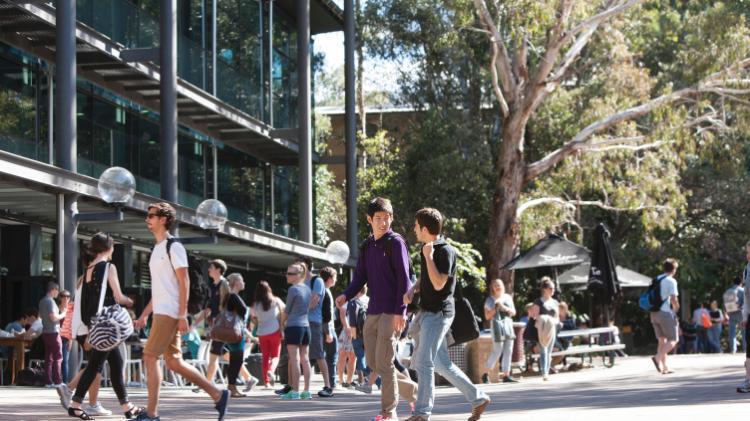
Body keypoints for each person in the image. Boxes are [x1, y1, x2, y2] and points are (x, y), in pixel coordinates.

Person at [133, 202, 229, 421]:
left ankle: (152, 413)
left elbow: (183, 281)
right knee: (174, 361)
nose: (148, 218)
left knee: (149, 356)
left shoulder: (173, 246)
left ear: (164, 219)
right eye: (147, 215)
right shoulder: (156, 248)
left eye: (152, 215)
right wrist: (146, 312)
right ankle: (218, 394)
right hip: (161, 310)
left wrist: (182, 313)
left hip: (170, 311)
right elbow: (160, 288)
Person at [404, 208, 490, 421]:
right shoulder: (428, 249)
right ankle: (478, 398)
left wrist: (429, 257)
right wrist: (413, 288)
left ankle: (421, 413)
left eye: (416, 226)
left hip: (439, 314)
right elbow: (426, 278)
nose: (414, 229)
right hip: (427, 312)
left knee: (424, 362)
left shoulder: (444, 251)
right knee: (441, 363)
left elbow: (440, 282)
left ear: (424, 228)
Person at [336, 197, 412, 421]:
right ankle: (415, 392)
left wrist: (401, 312)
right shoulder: (368, 245)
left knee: (385, 363)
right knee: (372, 362)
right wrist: (345, 294)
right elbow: (360, 277)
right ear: (369, 219)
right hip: (373, 311)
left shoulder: (396, 242)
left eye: (387, 218)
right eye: (378, 218)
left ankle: (389, 413)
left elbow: (404, 280)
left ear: (391, 218)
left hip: (392, 311)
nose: (383, 222)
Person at [63, 232, 144, 420]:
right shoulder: (108, 267)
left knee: (115, 363)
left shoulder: (88, 270)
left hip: (94, 326)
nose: (114, 249)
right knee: (95, 366)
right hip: (106, 327)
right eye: (113, 246)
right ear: (109, 248)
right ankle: (75, 404)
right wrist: (130, 302)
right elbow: (118, 296)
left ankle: (127, 407)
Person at [297, 256, 334, 398]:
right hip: (302, 322)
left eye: (299, 265)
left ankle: (328, 386)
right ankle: (298, 388)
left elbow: (314, 301)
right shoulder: (301, 281)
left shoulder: (316, 281)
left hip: (313, 322)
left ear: (306, 266)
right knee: (302, 356)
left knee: (318, 355)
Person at [279, 262, 313, 400]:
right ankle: (307, 390)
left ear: (299, 275)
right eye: (287, 272)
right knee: (305, 359)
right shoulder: (307, 289)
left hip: (293, 326)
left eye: (291, 273)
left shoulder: (293, 289)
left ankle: (295, 391)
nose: (287, 276)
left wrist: (281, 323)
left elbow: (287, 311)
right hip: (306, 326)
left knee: (294, 359)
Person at [192, 259, 229, 386]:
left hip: (221, 325)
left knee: (214, 354)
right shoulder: (212, 286)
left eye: (211, 267)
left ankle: (207, 384)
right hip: (215, 325)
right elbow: (208, 309)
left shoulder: (224, 285)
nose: (208, 269)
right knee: (219, 353)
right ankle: (248, 377)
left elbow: (226, 306)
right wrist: (195, 324)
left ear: (218, 270)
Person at [223, 273, 257, 397]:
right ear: (236, 283)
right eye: (242, 280)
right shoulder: (233, 296)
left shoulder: (230, 296)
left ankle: (232, 387)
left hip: (233, 331)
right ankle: (232, 388)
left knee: (235, 361)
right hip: (236, 332)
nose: (244, 283)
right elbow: (243, 311)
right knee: (236, 361)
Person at [482, 278, 517, 384]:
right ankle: (485, 374)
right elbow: (487, 316)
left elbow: (513, 312)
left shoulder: (507, 297)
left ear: (503, 286)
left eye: (499, 285)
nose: (498, 287)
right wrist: (495, 308)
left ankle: (506, 375)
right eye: (495, 285)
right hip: (496, 325)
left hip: (507, 325)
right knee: (498, 350)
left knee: (509, 350)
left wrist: (503, 307)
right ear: (492, 287)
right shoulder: (489, 300)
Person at [251, 280, 285, 388]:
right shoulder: (276, 301)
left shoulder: (255, 304)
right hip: (275, 331)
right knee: (275, 356)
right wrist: (282, 327)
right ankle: (271, 370)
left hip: (262, 333)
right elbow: (284, 312)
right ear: (269, 289)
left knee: (265, 357)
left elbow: (253, 318)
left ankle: (266, 382)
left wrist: (258, 323)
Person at [650, 258, 680, 375]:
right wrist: (676, 309)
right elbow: (674, 298)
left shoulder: (656, 279)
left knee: (662, 341)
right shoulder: (671, 281)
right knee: (673, 339)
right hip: (665, 313)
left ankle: (664, 367)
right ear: (674, 269)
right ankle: (657, 358)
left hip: (653, 313)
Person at [40, 281, 66, 388]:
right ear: (53, 290)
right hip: (53, 332)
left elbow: (41, 316)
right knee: (58, 357)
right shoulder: (50, 301)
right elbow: (53, 317)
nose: (58, 293)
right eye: (57, 290)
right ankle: (58, 381)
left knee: (48, 358)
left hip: (45, 332)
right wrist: (62, 314)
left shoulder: (42, 301)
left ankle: (48, 381)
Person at [534, 277, 559, 381]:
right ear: (545, 289)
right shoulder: (538, 301)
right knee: (543, 350)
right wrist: (544, 318)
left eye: (553, 288)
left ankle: (547, 371)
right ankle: (544, 372)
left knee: (549, 351)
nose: (553, 290)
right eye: (551, 288)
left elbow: (557, 318)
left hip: (551, 328)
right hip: (541, 328)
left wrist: (552, 321)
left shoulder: (555, 302)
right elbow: (535, 316)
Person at [320, 266, 339, 390]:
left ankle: (330, 382)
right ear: (330, 278)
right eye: (335, 277)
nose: (336, 280)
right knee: (332, 356)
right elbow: (326, 313)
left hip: (322, 327)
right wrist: (328, 333)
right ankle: (331, 383)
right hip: (327, 328)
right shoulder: (326, 292)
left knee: (326, 356)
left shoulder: (322, 291)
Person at [738, 241, 750, 393]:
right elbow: (747, 296)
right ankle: (748, 380)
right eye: (747, 253)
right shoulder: (747, 269)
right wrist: (745, 315)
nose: (748, 256)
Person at [724, 276, 745, 354]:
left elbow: (725, 304)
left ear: (733, 282)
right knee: (744, 332)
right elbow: (745, 302)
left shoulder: (728, 291)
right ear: (741, 283)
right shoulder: (742, 290)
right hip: (741, 314)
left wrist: (726, 313)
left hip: (731, 313)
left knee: (732, 332)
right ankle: (745, 349)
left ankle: (733, 349)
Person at [58, 290, 73, 383]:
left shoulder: (70, 310)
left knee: (65, 361)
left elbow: (72, 326)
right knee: (57, 360)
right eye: (64, 296)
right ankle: (57, 380)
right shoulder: (57, 309)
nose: (66, 298)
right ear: (60, 298)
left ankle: (65, 381)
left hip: (66, 338)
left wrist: (71, 340)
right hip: (57, 337)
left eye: (68, 296)